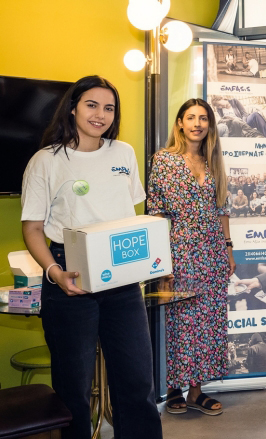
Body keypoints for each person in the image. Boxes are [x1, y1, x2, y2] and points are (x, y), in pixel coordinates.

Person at [20, 76, 162, 438]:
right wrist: (54, 272)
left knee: (136, 381)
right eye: (92, 105)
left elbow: (128, 218)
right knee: (74, 389)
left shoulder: (123, 154)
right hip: (70, 275)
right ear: (72, 106)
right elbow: (33, 228)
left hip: (121, 278)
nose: (101, 114)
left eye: (109, 108)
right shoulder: (46, 161)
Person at [147, 98, 236, 416]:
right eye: (191, 118)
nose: (198, 123)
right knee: (181, 323)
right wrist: (159, 260)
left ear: (210, 125)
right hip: (179, 254)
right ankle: (174, 389)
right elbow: (156, 214)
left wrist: (228, 248)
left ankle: (197, 391)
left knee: (209, 322)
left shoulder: (214, 161)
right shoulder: (163, 161)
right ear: (180, 123)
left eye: (204, 119)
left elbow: (222, 207)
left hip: (212, 254)